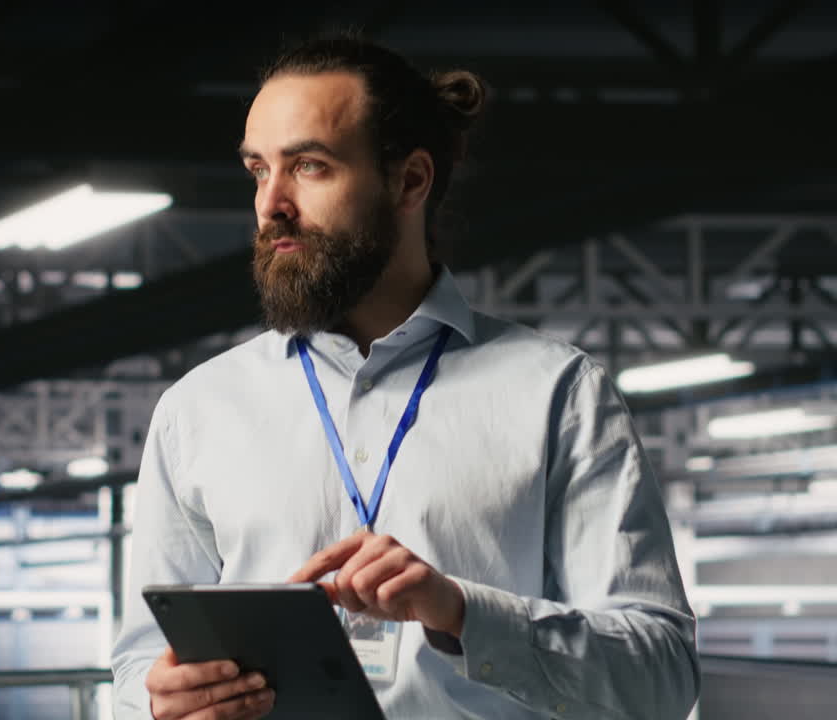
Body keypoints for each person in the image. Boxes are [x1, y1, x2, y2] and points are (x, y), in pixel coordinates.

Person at [111, 32, 699, 720]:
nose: (272, 204)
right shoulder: (197, 411)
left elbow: (661, 677)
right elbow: (138, 669)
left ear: (411, 180)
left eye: (309, 166)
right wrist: (160, 702)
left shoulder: (558, 395)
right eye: (259, 170)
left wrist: (462, 612)